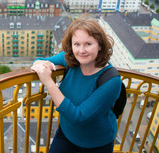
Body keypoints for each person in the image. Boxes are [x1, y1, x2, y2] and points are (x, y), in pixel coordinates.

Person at [31, 18, 121, 153]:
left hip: (96, 144)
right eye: (76, 44)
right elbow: (39, 61)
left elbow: (78, 117)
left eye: (88, 44)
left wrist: (49, 82)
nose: (81, 50)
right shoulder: (70, 59)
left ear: (100, 45)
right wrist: (43, 64)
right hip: (67, 133)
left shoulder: (111, 81)